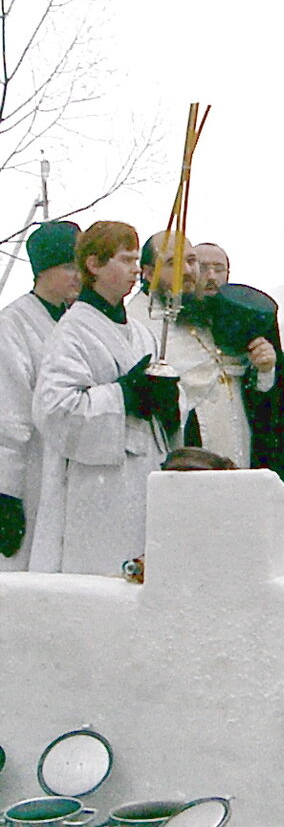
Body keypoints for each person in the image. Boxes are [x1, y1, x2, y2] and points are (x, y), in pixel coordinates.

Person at [30, 221, 179, 574]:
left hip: (145, 476)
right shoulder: (71, 333)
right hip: (95, 485)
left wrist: (170, 402)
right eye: (125, 260)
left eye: (135, 260)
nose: (134, 269)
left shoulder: (143, 333)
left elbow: (166, 411)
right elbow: (54, 411)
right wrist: (124, 395)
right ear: (94, 265)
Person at [130, 232, 284, 473]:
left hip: (236, 445)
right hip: (183, 452)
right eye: (173, 263)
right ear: (148, 272)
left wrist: (265, 369)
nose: (188, 271)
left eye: (191, 261)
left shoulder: (212, 315)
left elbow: (255, 393)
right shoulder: (138, 323)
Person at [0, 221, 81, 570]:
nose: (78, 276)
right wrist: (7, 490)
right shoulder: (13, 323)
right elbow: (10, 411)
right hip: (30, 464)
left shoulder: (76, 320)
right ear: (44, 271)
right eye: (69, 267)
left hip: (70, 462)